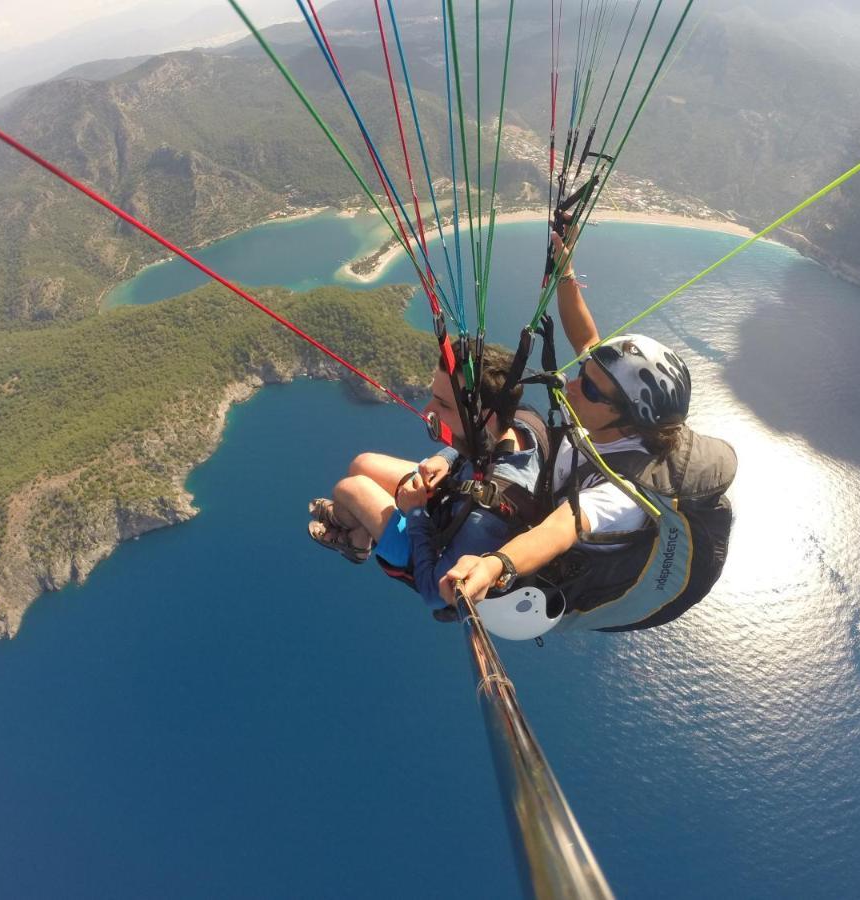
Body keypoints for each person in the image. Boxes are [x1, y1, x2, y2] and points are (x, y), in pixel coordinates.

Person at [439, 228, 737, 632]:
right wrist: (566, 272)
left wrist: (495, 565)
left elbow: (561, 528)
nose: (572, 383)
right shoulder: (613, 414)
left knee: (454, 532)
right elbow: (588, 340)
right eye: (583, 373)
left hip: (554, 553)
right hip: (556, 481)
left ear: (627, 417)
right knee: (512, 423)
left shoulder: (623, 493)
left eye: (591, 387)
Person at [307, 341, 548, 613]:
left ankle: (352, 535)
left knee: (349, 490)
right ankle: (362, 528)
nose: (428, 410)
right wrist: (445, 458)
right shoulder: (519, 418)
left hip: (430, 550)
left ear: (484, 418)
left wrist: (417, 513)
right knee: (362, 463)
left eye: (443, 404)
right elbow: (483, 440)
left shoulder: (485, 521)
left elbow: (434, 592)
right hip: (454, 500)